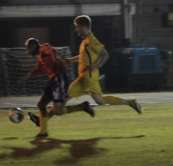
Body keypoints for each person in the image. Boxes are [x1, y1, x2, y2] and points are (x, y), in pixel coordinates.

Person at [66, 15, 142, 114]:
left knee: (98, 100)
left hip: (89, 76)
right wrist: (70, 60)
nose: (76, 29)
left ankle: (130, 102)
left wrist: (96, 65)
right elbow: (82, 57)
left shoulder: (92, 40)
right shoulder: (85, 41)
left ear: (84, 26)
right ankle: (130, 102)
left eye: (77, 26)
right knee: (97, 100)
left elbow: (105, 54)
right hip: (83, 76)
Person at [24, 38, 95, 137]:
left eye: (28, 48)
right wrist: (30, 74)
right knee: (41, 105)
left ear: (33, 46)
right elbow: (40, 67)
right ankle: (43, 131)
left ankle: (82, 106)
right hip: (53, 79)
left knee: (58, 111)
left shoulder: (44, 49)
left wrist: (49, 56)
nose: (27, 51)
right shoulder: (40, 55)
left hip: (59, 78)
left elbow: (50, 52)